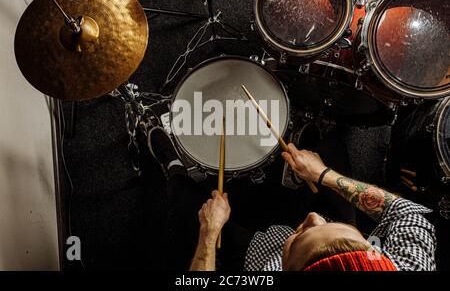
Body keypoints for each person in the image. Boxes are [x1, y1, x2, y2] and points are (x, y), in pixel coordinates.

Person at [147, 126, 436, 271]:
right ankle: (300, 173)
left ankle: (173, 169)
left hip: (257, 256)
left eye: (301, 237)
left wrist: (209, 235)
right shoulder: (406, 266)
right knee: (331, 149)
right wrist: (322, 174)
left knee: (189, 208)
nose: (313, 219)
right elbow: (410, 215)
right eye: (354, 238)